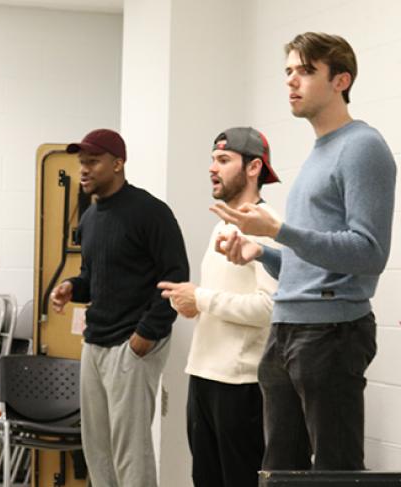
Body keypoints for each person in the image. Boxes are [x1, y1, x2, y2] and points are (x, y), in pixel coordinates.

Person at [212, 32, 396, 471]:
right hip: (286, 330)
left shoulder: (363, 147)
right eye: (289, 71)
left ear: (341, 80)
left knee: (335, 470)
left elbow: (370, 252)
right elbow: (307, 263)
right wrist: (260, 251)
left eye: (306, 71)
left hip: (331, 334)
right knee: (280, 470)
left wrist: (280, 229)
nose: (292, 81)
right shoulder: (317, 153)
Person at [50, 129, 189, 487]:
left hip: (132, 344)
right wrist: (71, 288)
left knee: (131, 451)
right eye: (81, 162)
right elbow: (92, 277)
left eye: (93, 162)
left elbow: (176, 278)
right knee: (97, 448)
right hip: (95, 343)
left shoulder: (150, 212)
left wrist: (144, 337)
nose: (84, 169)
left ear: (118, 164)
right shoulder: (92, 219)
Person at [158, 127, 280, 487]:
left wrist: (203, 298)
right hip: (203, 376)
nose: (213, 168)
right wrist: (196, 305)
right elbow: (223, 299)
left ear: (254, 167)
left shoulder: (267, 226)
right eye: (213, 159)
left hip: (240, 385)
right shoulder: (222, 224)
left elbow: (269, 308)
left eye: (224, 160)